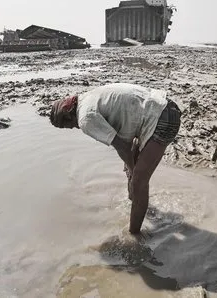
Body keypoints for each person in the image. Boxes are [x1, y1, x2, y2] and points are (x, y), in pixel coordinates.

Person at [49, 83, 182, 234]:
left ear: (68, 115)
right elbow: (126, 143)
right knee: (131, 169)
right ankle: (137, 204)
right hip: (163, 107)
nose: (75, 127)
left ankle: (134, 237)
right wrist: (130, 167)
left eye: (70, 126)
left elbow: (123, 146)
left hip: (163, 118)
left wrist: (133, 171)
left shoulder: (84, 118)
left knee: (138, 180)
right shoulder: (87, 97)